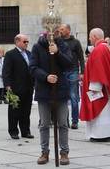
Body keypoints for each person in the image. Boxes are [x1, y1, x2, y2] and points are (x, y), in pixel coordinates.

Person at [30, 31, 73, 165]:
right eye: (50, 30)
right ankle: (44, 152)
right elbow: (32, 67)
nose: (52, 33)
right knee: (44, 123)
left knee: (63, 123)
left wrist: (58, 52)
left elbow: (69, 64)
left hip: (60, 90)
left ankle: (64, 152)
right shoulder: (37, 47)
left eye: (55, 31)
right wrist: (46, 76)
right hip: (44, 90)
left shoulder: (63, 45)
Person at [80, 28, 110, 142]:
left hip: (100, 88)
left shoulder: (99, 49)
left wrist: (95, 89)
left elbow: (98, 69)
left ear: (95, 37)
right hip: (108, 86)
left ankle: (101, 135)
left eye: (90, 37)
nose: (90, 39)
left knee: (101, 112)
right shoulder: (107, 47)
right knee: (109, 111)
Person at [2, 34, 34, 140]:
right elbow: (6, 71)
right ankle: (13, 131)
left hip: (28, 87)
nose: (26, 44)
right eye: (25, 42)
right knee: (14, 110)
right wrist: (7, 85)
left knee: (26, 110)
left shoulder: (29, 54)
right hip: (15, 87)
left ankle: (25, 131)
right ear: (17, 42)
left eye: (27, 42)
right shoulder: (11, 54)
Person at [59, 24, 85, 129]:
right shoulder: (58, 41)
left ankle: (75, 121)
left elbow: (81, 58)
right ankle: (64, 120)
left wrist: (82, 72)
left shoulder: (76, 42)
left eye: (62, 29)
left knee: (74, 96)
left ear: (68, 31)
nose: (60, 31)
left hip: (73, 71)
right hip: (61, 72)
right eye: (60, 29)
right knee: (63, 97)